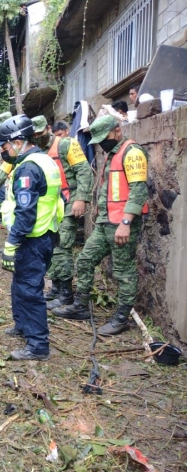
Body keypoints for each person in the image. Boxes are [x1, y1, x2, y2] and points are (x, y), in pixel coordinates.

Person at [52, 115, 149, 335]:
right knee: (85, 260)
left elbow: (139, 191)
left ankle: (121, 318)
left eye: (104, 138)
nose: (101, 144)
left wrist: (126, 222)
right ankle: (80, 306)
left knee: (124, 272)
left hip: (122, 225)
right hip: (105, 223)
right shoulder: (112, 154)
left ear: (117, 130)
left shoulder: (132, 153)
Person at [0, 115, 63, 361]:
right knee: (20, 283)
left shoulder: (29, 168)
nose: (3, 152)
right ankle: (22, 326)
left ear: (19, 141)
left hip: (33, 237)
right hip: (42, 235)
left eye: (5, 146)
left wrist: (12, 242)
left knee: (30, 289)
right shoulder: (43, 160)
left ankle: (37, 346)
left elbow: (25, 211)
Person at [31, 116, 93, 310]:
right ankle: (56, 287)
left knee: (62, 248)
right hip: (50, 205)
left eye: (40, 133)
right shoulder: (36, 150)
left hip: (68, 201)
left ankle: (66, 293)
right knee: (50, 248)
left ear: (48, 128)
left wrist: (81, 199)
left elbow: (84, 171)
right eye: (34, 135)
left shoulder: (66, 144)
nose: (38, 137)